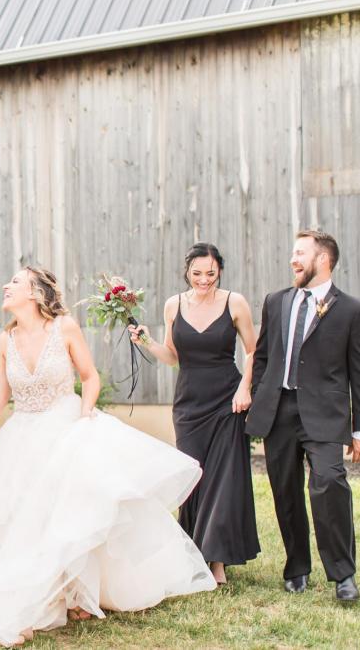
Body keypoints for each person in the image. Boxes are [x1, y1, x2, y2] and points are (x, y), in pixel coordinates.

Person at [0, 267, 216, 646]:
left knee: (69, 513)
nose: (6, 285)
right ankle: (35, 597)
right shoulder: (7, 339)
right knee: (22, 518)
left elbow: (90, 377)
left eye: (15, 282)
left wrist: (85, 414)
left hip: (66, 425)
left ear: (35, 292)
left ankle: (75, 590)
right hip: (21, 435)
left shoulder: (64, 328)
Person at [246, 230, 360, 603]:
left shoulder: (353, 311)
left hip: (325, 415)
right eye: (293, 253)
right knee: (285, 490)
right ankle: (296, 567)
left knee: (329, 483)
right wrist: (259, 396)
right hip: (279, 411)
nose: (293, 259)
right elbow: (263, 355)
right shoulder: (276, 302)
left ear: (323, 259)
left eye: (301, 253)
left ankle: (343, 575)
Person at [129, 243, 260, 583]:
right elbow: (173, 356)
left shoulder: (235, 303)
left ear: (220, 271)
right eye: (197, 273)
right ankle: (193, 552)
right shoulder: (173, 305)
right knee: (193, 475)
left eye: (211, 273)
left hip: (227, 400)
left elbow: (253, 351)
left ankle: (217, 561)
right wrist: (147, 342)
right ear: (187, 271)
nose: (204, 280)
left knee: (223, 479)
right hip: (189, 403)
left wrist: (245, 388)